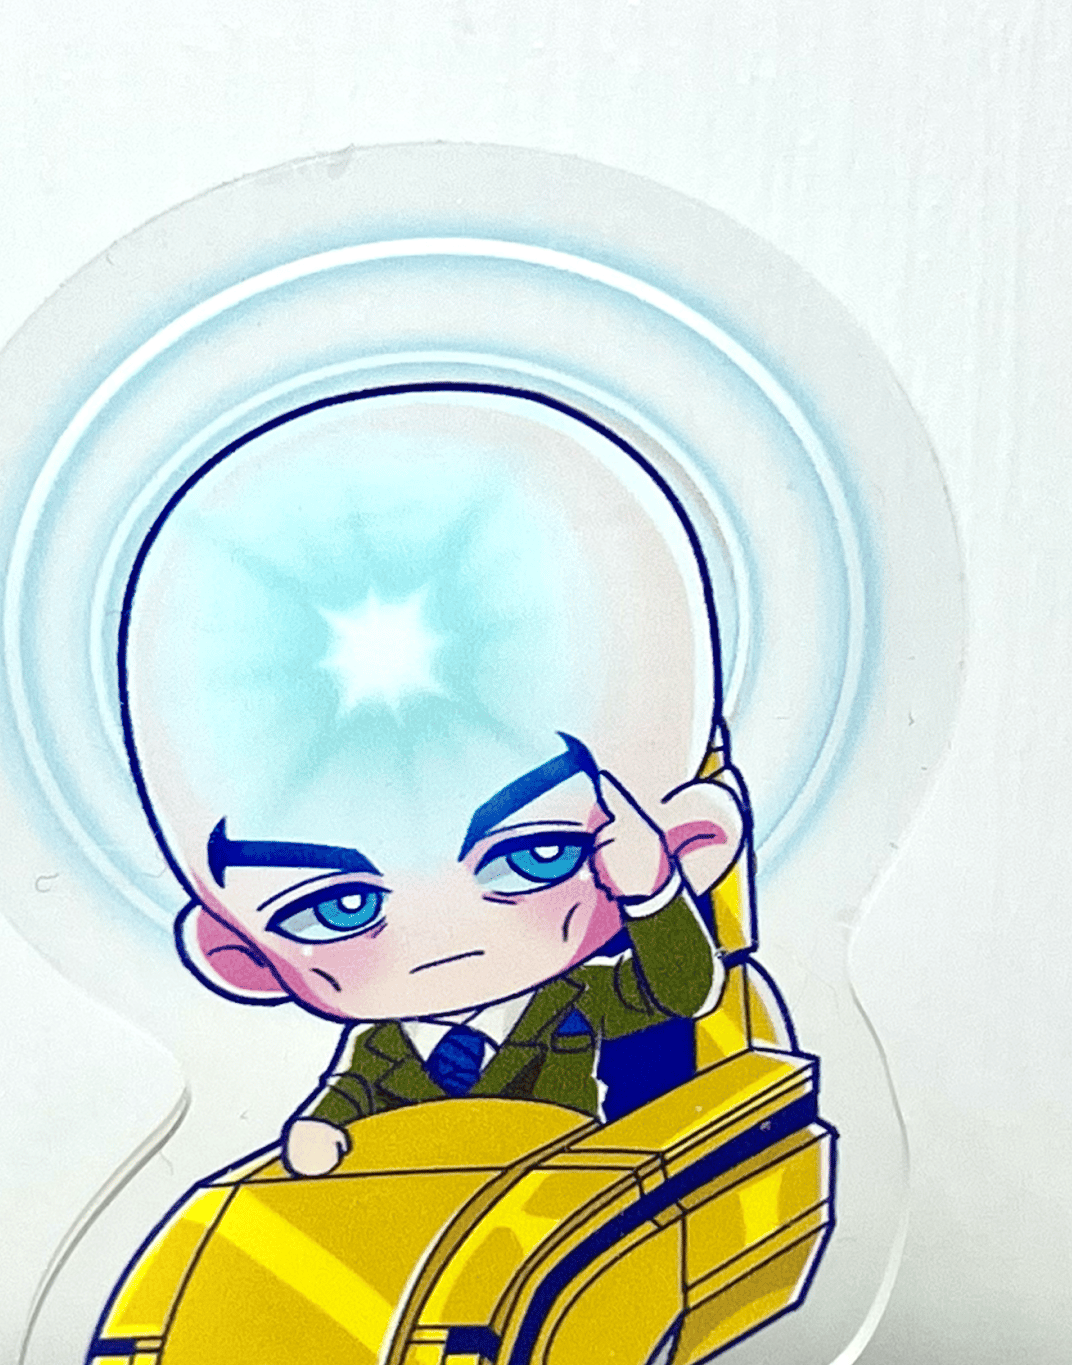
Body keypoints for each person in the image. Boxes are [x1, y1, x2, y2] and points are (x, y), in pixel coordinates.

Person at [118, 383, 752, 1175]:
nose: (443, 941)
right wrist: (318, 1133)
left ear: (689, 844)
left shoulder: (573, 1004)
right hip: (415, 1210)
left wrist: (652, 896)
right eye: (337, 908)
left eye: (537, 856)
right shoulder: (382, 1047)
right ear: (240, 958)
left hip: (554, 1202)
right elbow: (344, 1100)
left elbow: (682, 993)